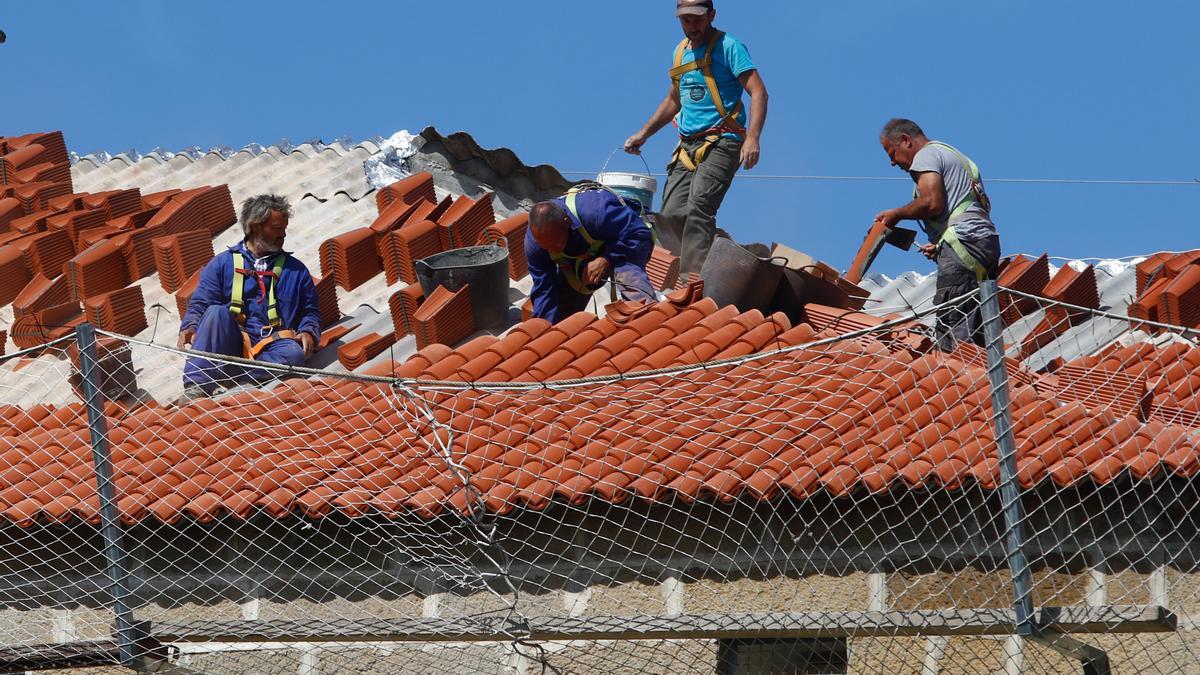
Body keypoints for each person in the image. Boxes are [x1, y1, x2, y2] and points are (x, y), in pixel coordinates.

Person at [624, 0, 768, 276]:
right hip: (688, 145)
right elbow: (673, 100)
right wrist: (644, 134)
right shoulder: (680, 52)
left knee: (699, 208)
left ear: (711, 15)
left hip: (723, 140)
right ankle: (706, 259)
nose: (693, 26)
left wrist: (753, 138)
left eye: (698, 20)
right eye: (686, 20)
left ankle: (691, 280)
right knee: (671, 215)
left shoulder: (729, 47)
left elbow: (759, 92)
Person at [873, 119, 1002, 350]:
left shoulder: (925, 156)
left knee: (953, 322)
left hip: (964, 242)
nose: (892, 162)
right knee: (976, 320)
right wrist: (941, 243)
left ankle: (959, 376)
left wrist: (897, 214)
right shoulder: (951, 154)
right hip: (983, 241)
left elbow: (932, 202)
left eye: (892, 153)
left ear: (905, 140)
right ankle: (982, 374)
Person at [178, 194, 321, 395]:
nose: (284, 235)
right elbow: (200, 304)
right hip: (232, 343)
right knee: (215, 313)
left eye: (284, 229)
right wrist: (190, 326)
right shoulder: (221, 264)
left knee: (293, 354)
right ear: (255, 226)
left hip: (274, 346)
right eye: (277, 229)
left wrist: (308, 331)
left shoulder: (296, 271)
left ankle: (236, 375)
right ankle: (196, 388)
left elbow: (310, 311)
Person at [526, 186, 657, 324]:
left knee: (627, 272)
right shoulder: (534, 244)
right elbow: (544, 288)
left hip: (627, 239)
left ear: (567, 222)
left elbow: (639, 232)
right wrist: (543, 326)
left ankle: (649, 323)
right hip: (585, 253)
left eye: (555, 244)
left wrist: (606, 259)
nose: (552, 250)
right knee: (560, 310)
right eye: (545, 246)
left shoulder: (595, 211)